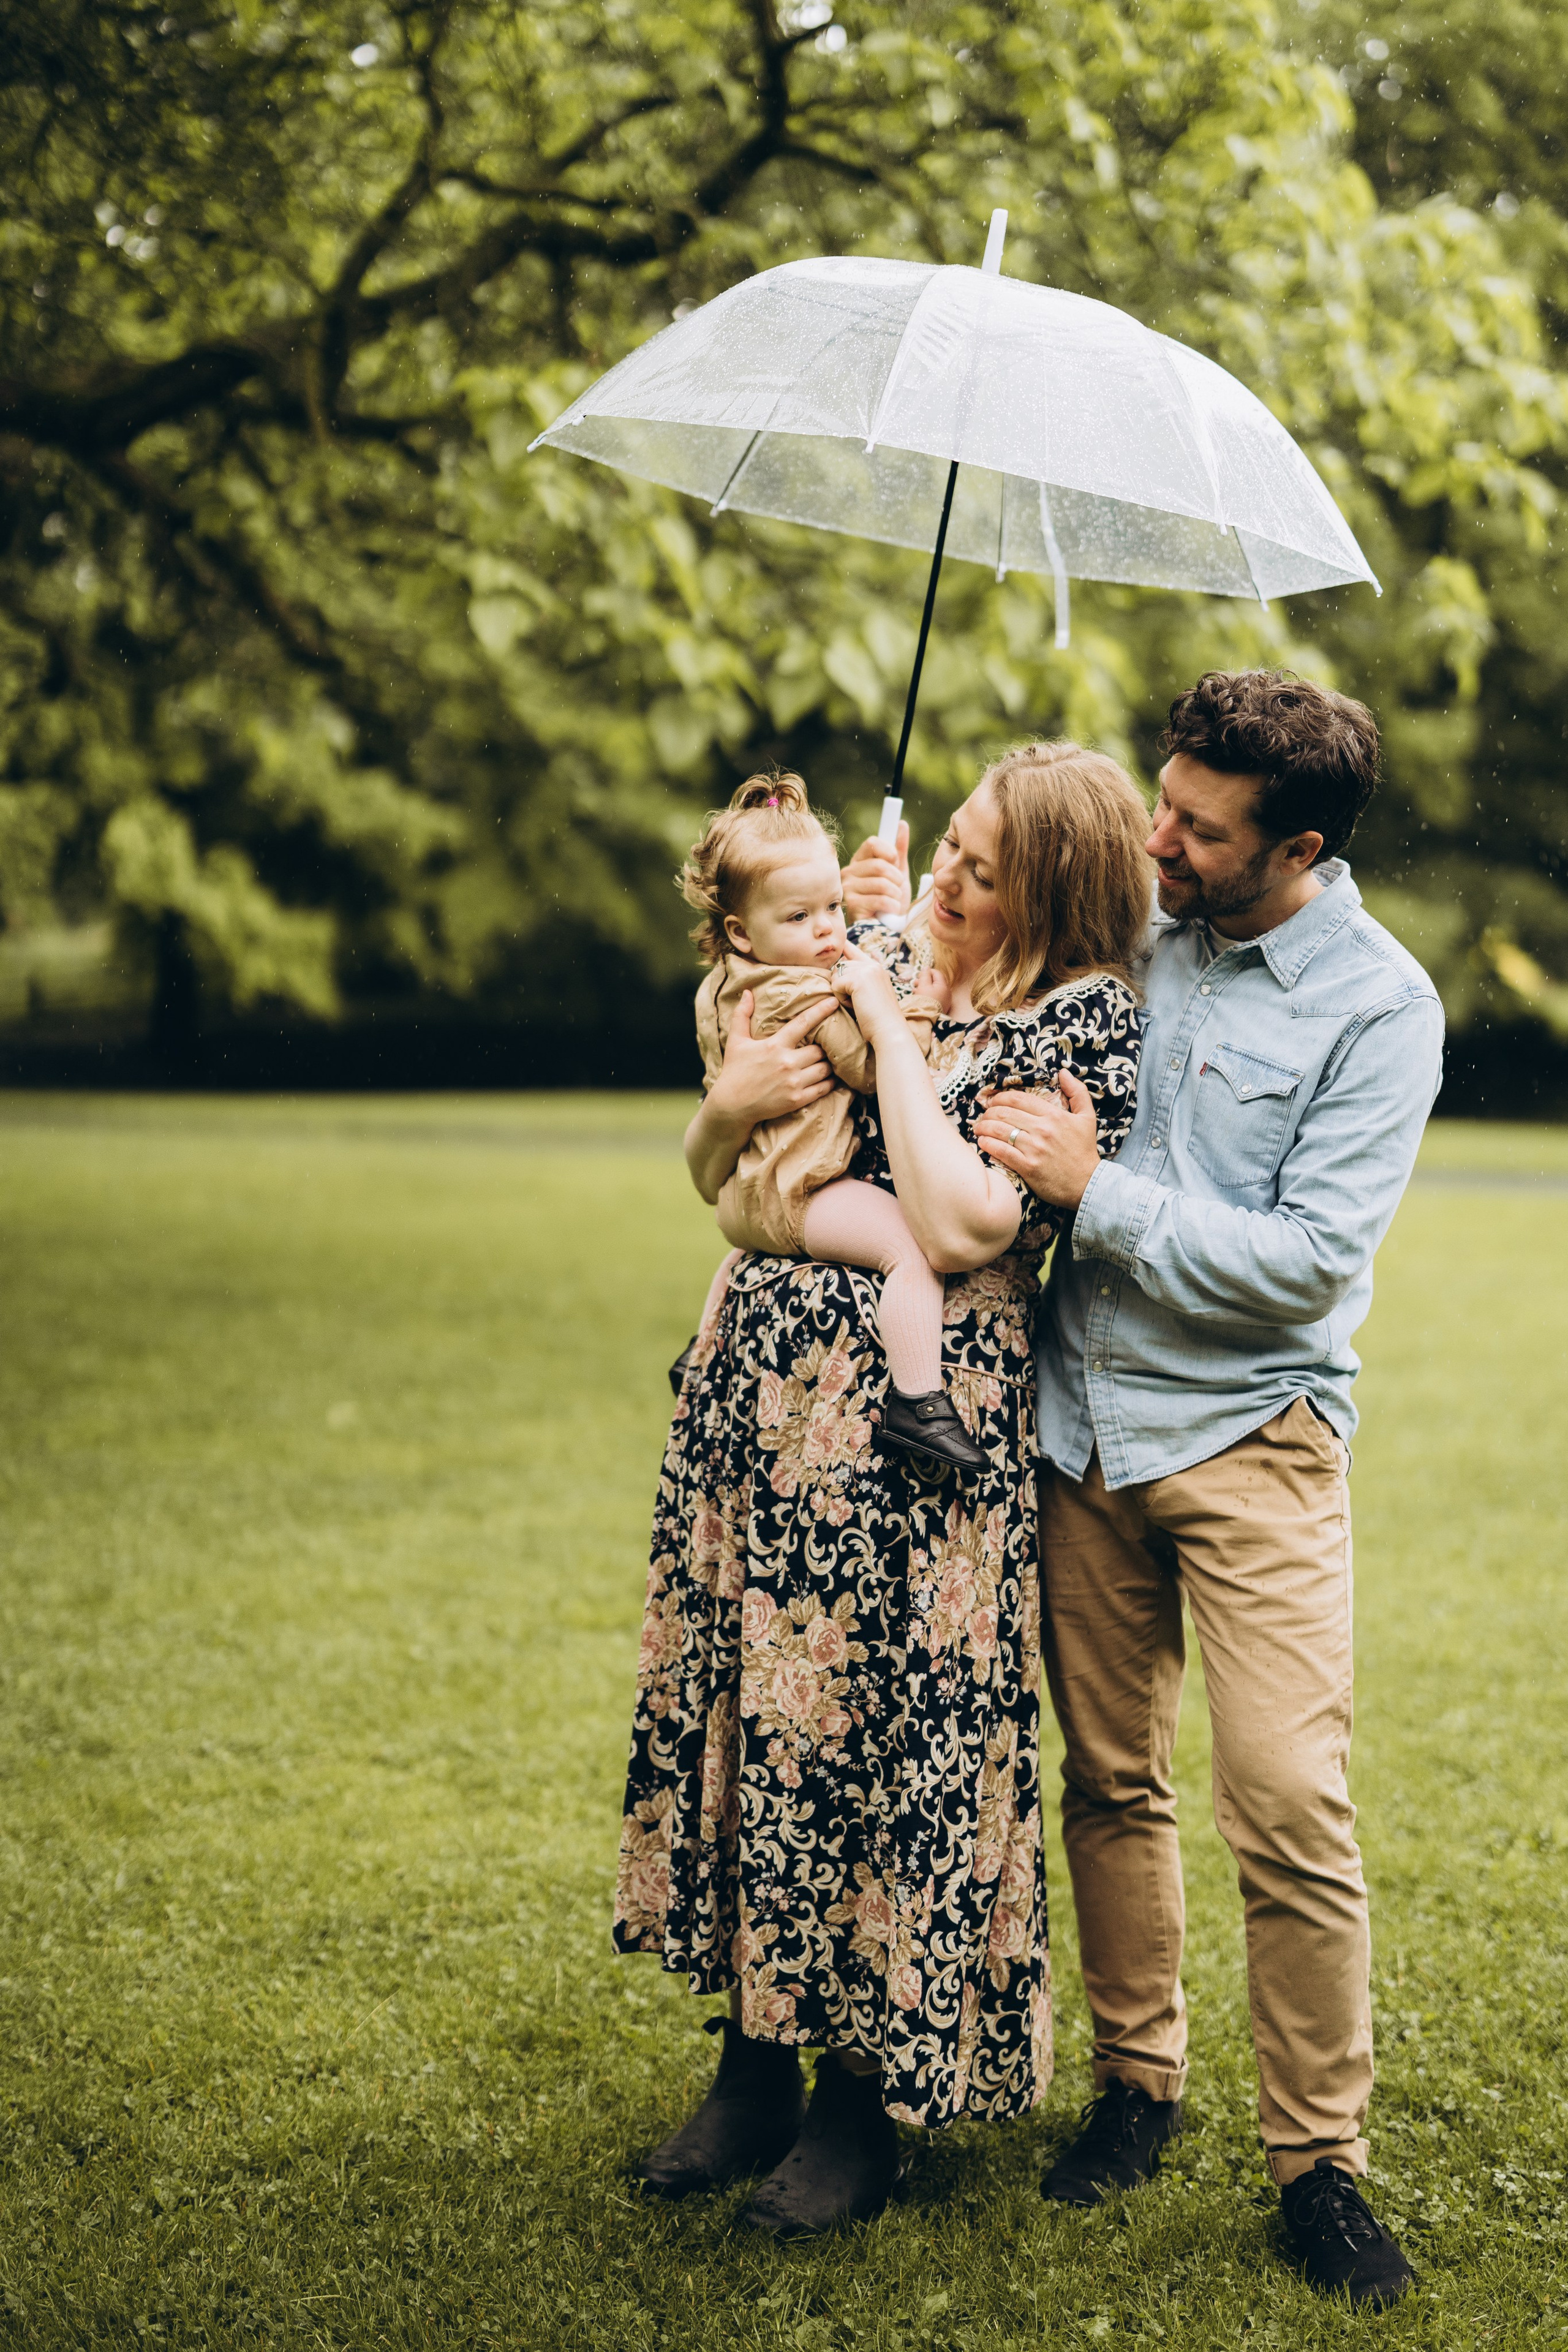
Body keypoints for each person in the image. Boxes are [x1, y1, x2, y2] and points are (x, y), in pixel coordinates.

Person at [616, 742, 1149, 2235]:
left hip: (914, 1456)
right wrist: (729, 1100)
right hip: (761, 1417)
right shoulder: (886, 948)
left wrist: (885, 1020)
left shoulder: (1082, 1025)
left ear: (1046, 883)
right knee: (761, 1717)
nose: (941, 876)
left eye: (979, 865)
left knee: (869, 1734)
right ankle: (750, 2058)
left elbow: (958, 1216)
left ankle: (860, 2097)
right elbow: (722, 1175)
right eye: (950, 847)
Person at [966, 673, 1443, 2312]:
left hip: (1253, 1444)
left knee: (1289, 1802)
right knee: (1109, 1776)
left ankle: (1321, 2170)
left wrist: (1099, 1192)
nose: (1158, 838)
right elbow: (985, 971)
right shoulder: (1137, 932)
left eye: (1199, 827)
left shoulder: (1381, 1010)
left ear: (1295, 844)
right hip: (1079, 1426)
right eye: (1162, 804)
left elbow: (1310, 1270)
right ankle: (1136, 2085)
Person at [673, 771, 981, 1472]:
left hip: (739, 1199)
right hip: (802, 1193)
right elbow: (872, 1071)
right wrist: (917, 1010)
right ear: (740, 932)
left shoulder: (718, 985)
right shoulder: (808, 992)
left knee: (753, 1254)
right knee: (910, 1246)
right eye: (799, 918)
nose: (827, 932)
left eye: (833, 908)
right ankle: (918, 1399)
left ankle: (703, 1351)